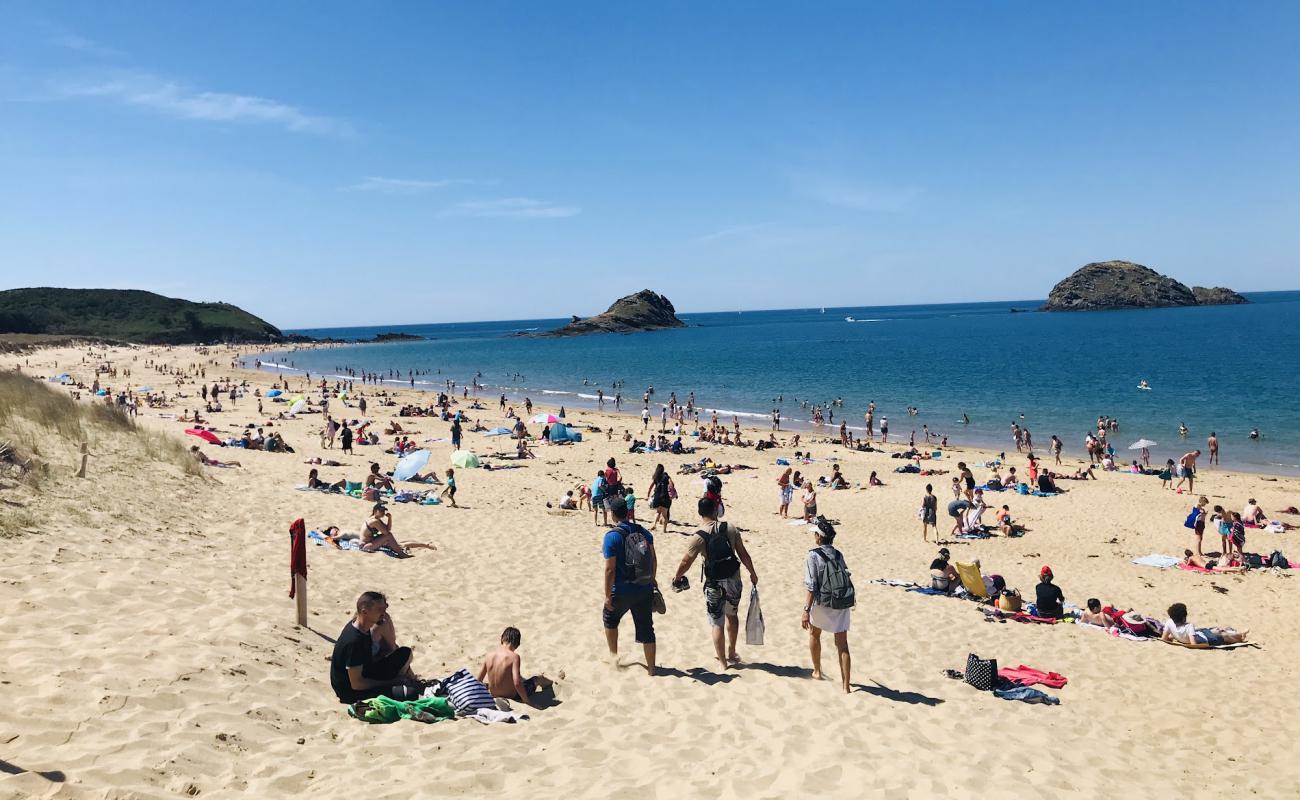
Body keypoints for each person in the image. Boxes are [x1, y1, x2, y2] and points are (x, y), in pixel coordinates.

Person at [671, 497, 758, 671]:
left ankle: (722, 662)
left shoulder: (698, 536)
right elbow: (743, 554)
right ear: (715, 511)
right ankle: (732, 652)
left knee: (716, 622)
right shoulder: (730, 528)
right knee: (732, 615)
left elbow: (686, 561)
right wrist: (753, 573)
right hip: (733, 578)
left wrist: (677, 577)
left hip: (713, 583)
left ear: (699, 513)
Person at [330, 591, 422, 703]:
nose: (384, 613)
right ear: (364, 612)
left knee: (404, 653)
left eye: (385, 608)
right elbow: (357, 684)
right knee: (411, 693)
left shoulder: (363, 626)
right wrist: (393, 682)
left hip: (365, 672)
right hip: (351, 692)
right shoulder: (354, 641)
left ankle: (407, 681)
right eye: (379, 610)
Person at [602, 497, 658, 675]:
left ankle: (614, 657)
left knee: (610, 619)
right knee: (647, 628)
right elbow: (653, 558)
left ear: (613, 515)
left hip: (622, 589)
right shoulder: (642, 531)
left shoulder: (612, 537)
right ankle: (651, 669)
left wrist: (607, 595)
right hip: (643, 587)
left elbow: (610, 570)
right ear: (627, 512)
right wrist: (652, 579)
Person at [802, 519, 852, 693]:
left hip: (822, 602)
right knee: (842, 644)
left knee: (815, 633)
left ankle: (817, 670)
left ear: (818, 537)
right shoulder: (839, 554)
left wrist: (806, 610)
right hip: (840, 601)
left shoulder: (813, 555)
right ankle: (846, 686)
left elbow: (811, 585)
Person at [476, 627, 555, 708]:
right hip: (512, 695)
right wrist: (527, 701)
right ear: (517, 645)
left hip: (494, 694)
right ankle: (551, 683)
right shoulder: (514, 657)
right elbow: (517, 683)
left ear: (502, 639)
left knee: (490, 682)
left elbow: (478, 681)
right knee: (538, 679)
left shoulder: (489, 655)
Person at [361, 503, 435, 557]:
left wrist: (390, 518)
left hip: (372, 542)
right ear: (375, 511)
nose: (383, 513)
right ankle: (402, 554)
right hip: (366, 546)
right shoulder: (374, 521)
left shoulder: (376, 519)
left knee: (398, 542)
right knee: (390, 538)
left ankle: (424, 545)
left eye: (384, 511)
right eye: (381, 511)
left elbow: (387, 529)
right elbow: (387, 533)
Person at [1161, 602, 1248, 648]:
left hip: (1200, 634)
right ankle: (1239, 638)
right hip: (1207, 640)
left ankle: (1239, 634)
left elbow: (1164, 638)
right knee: (1223, 635)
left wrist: (1176, 637)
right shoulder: (1189, 626)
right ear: (1184, 617)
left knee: (1217, 630)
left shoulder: (1169, 622)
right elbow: (1193, 644)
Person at [649, 464, 672, 533]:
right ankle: (664, 530)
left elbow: (651, 486)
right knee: (665, 515)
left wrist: (648, 494)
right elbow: (671, 484)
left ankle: (654, 524)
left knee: (658, 512)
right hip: (665, 497)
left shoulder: (655, 477)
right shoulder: (666, 477)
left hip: (657, 496)